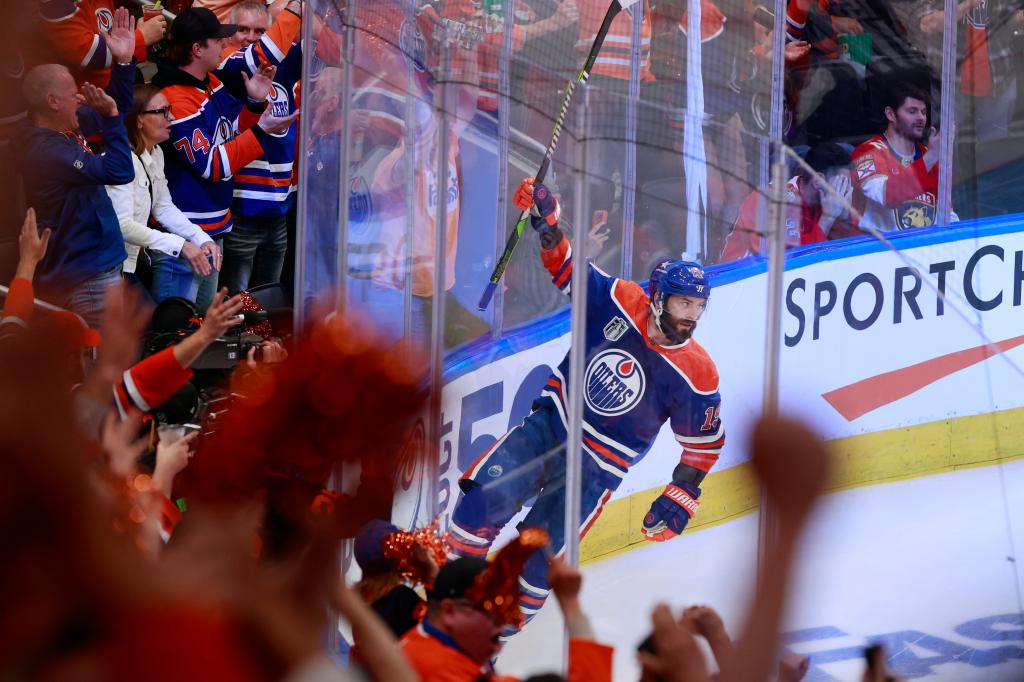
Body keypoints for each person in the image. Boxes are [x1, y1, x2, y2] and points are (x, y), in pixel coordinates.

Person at [447, 177, 724, 627]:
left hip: (594, 471)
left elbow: (704, 445)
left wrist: (682, 493)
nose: (691, 316)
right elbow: (567, 269)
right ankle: (448, 609)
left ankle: (484, 647)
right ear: (656, 298)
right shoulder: (619, 300)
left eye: (698, 307)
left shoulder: (697, 372)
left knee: (535, 572)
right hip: (549, 430)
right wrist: (547, 221)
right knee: (475, 511)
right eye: (683, 304)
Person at [154, 5, 301, 307]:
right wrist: (261, 130)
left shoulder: (211, 83)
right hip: (185, 235)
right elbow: (214, 165)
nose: (225, 43)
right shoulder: (173, 98)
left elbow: (233, 130)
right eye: (217, 39)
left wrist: (256, 103)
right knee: (178, 333)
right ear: (197, 48)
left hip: (214, 229)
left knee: (207, 327)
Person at [18, 8, 138, 329]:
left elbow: (117, 107)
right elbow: (119, 171)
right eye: (75, 94)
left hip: (102, 265)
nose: (82, 99)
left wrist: (124, 63)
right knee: (99, 371)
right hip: (86, 278)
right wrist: (111, 120)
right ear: (54, 101)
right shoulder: (46, 150)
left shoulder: (68, 124)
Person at [399, 555, 612, 681]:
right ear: (449, 611)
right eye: (492, 614)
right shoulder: (443, 671)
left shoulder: (427, 637)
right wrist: (570, 604)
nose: (502, 626)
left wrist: (437, 581)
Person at [221, 1, 302, 294]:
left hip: (279, 209)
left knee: (267, 299)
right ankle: (238, 340)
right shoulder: (229, 63)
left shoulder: (284, 62)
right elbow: (263, 53)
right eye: (243, 29)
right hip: (243, 208)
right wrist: (297, 8)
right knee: (238, 301)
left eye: (260, 30)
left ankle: (263, 341)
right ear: (229, 32)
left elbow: (323, 50)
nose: (252, 36)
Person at [106, 84, 217, 297]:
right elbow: (122, 225)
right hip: (106, 268)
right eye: (162, 112)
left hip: (128, 264)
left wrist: (200, 237)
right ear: (138, 120)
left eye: (170, 110)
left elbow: (163, 207)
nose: (172, 117)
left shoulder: (156, 153)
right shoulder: (122, 161)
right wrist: (180, 244)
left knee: (157, 321)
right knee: (152, 323)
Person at [720, 141, 858, 261]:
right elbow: (795, 264)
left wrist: (844, 216)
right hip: (739, 280)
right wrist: (828, 218)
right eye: (842, 183)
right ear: (818, 181)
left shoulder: (823, 202)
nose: (845, 189)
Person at [851, 83, 940, 232]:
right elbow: (886, 196)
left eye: (923, 112)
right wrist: (931, 157)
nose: (921, 118)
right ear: (890, 114)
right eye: (912, 111)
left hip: (925, 249)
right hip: (878, 250)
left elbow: (946, 213)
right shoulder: (867, 153)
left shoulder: (928, 155)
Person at [36, 0, 167, 88]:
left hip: (113, 88)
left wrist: (134, 36)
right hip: (83, 105)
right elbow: (86, 54)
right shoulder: (57, 3)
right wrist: (140, 38)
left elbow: (108, 34)